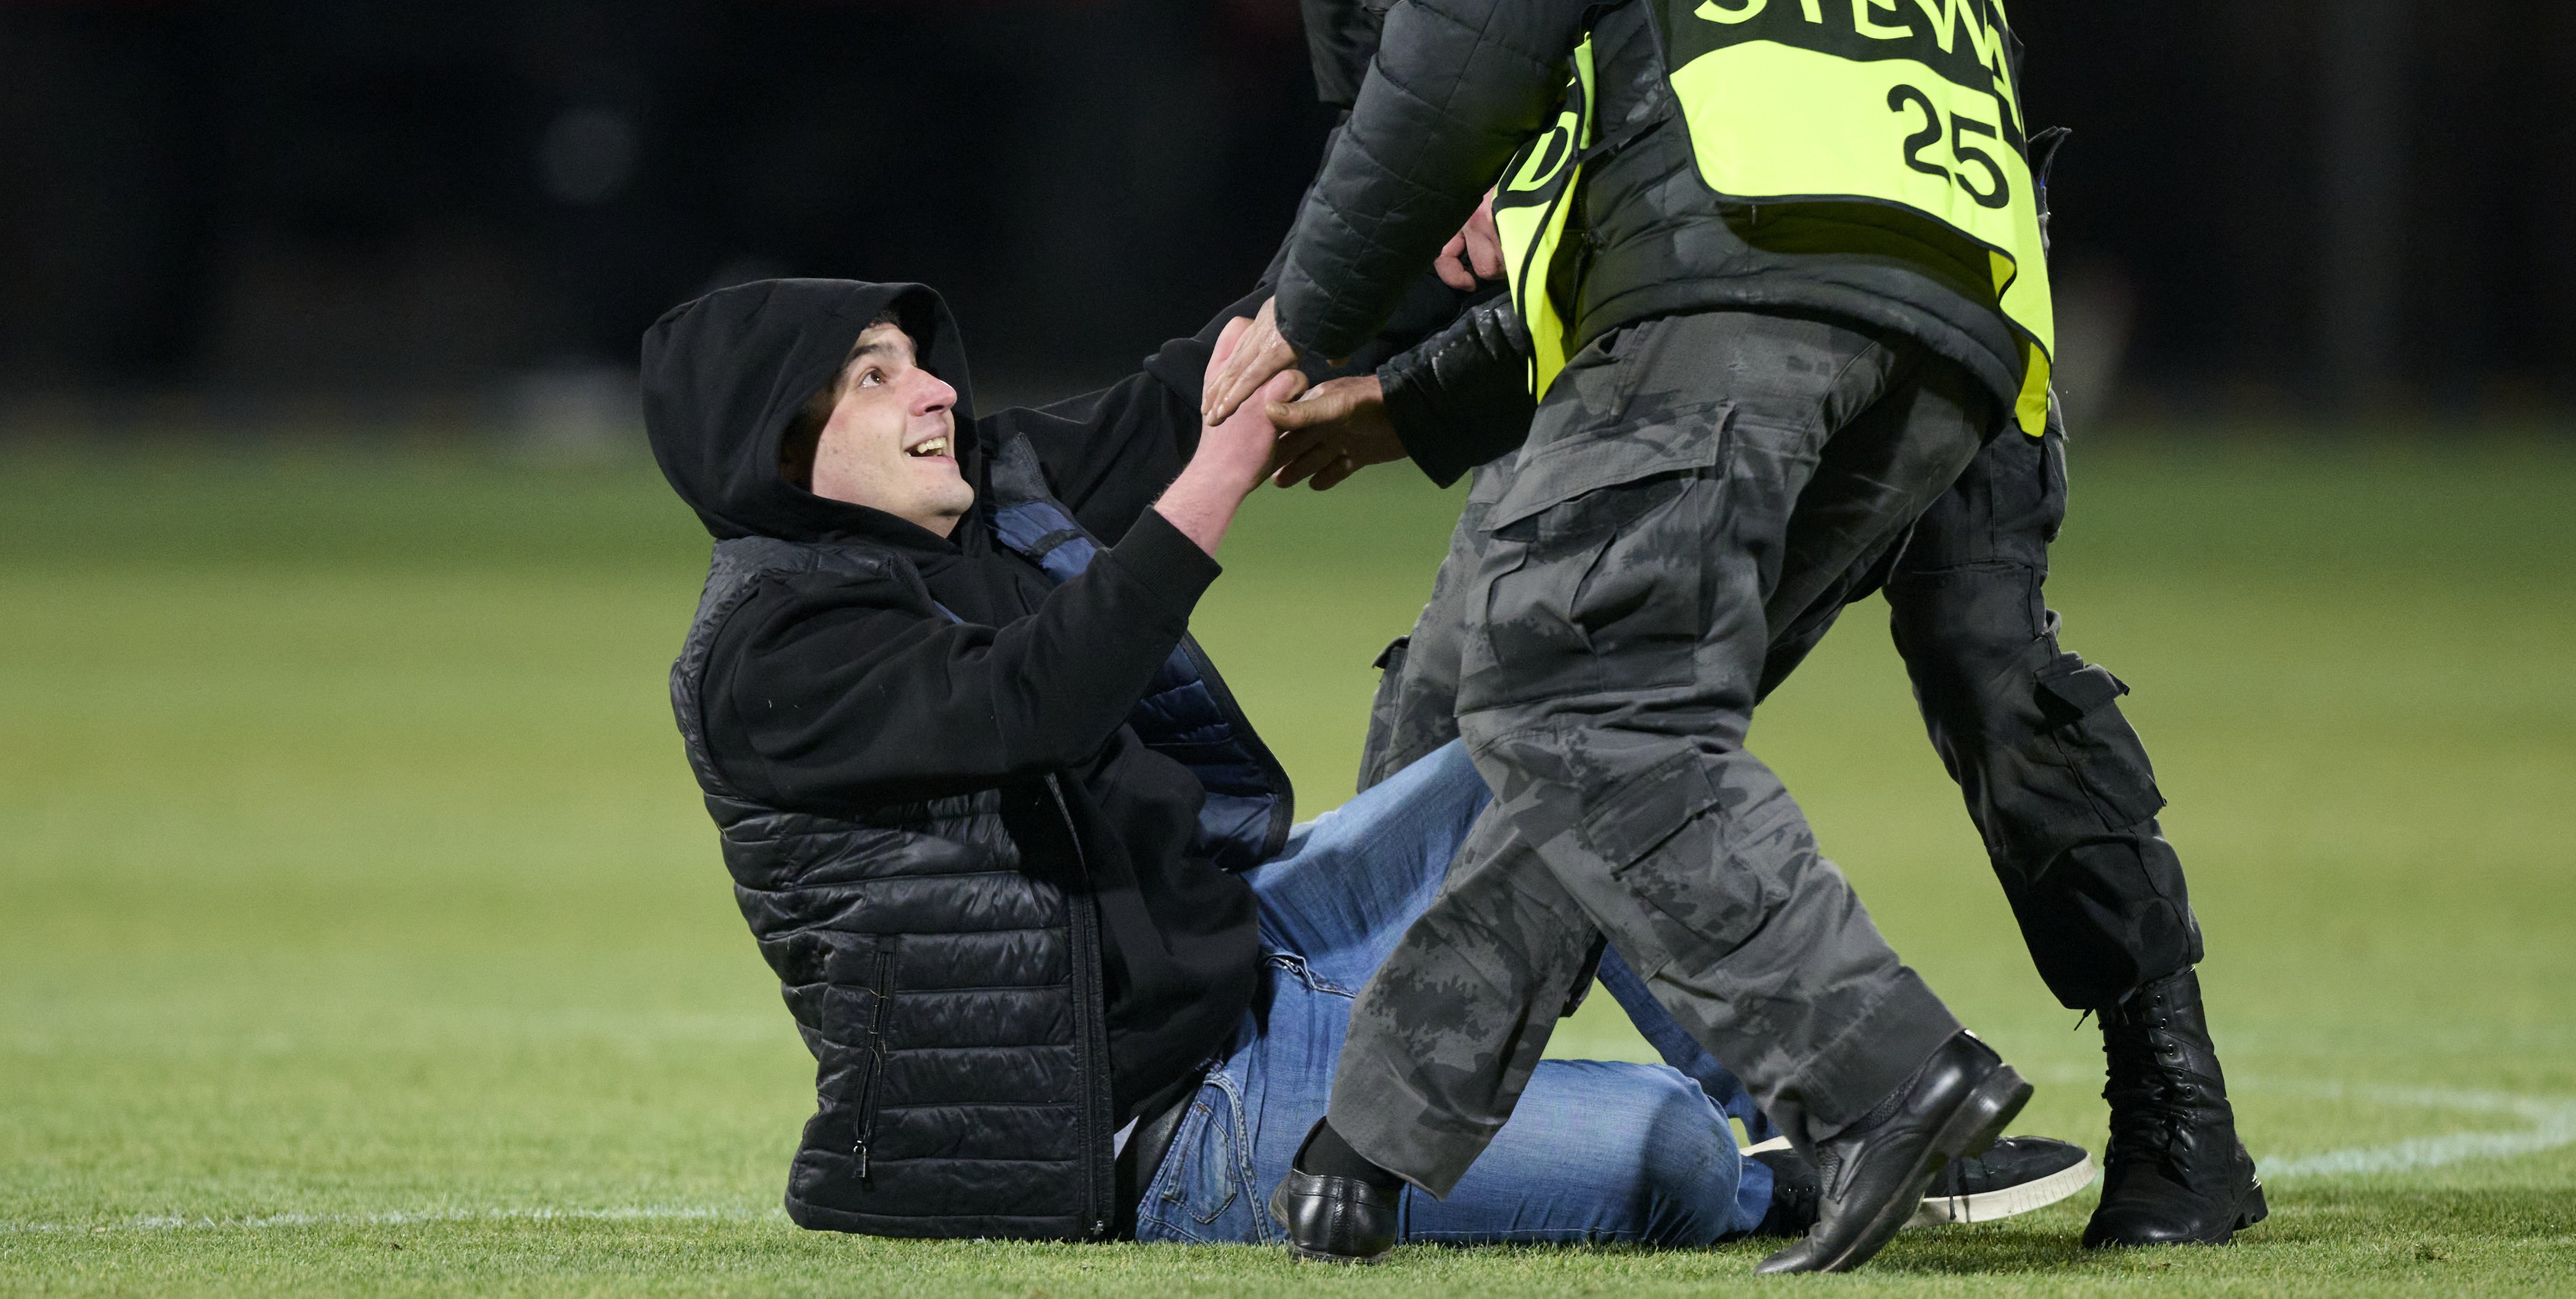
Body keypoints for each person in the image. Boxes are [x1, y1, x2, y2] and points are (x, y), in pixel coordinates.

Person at [1212, 0, 2264, 1273]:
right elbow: (1480, 157)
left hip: (1813, 278)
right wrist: (1413, 375)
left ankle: (2091, 1098)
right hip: (1767, 294)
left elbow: (1546, 86)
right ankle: (1371, 1136)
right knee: (1479, 702)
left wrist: (1314, 317)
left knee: (1967, 694)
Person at [636, 275, 1812, 1248]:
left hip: (1256, 951)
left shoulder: (982, 492)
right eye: (873, 377)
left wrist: (1427, 256)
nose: (936, 388)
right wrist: (1228, 466)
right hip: (1156, 1123)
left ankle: (1829, 1109)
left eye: (913, 359)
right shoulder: (770, 655)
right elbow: (1037, 699)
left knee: (1586, 742)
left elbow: (1194, 383)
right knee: (1675, 1155)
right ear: (778, 447)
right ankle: (1756, 1179)